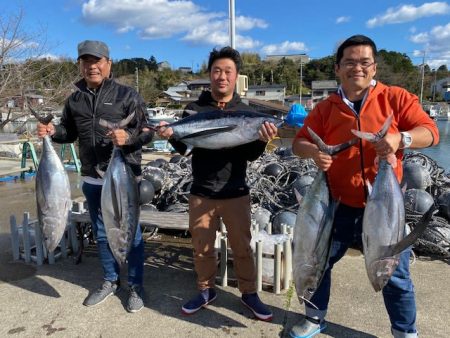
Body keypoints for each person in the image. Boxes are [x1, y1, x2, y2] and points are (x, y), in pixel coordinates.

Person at [290, 35, 439, 338]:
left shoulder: (396, 98)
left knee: (394, 274)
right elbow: (298, 143)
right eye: (349, 62)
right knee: (319, 261)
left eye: (364, 62)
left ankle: (405, 332)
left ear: (374, 68)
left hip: (384, 208)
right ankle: (315, 318)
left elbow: (431, 133)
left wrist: (401, 139)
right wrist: (315, 153)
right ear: (337, 69)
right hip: (339, 204)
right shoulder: (325, 108)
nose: (357, 67)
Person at [158, 46, 278, 321]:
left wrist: (262, 139)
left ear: (236, 76)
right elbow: (185, 149)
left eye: (228, 71)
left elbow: (250, 155)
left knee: (243, 248)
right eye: (217, 71)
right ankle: (205, 290)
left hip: (235, 191)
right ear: (210, 75)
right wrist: (169, 134)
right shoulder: (194, 110)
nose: (222, 76)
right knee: (202, 248)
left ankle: (249, 293)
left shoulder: (246, 112)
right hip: (201, 192)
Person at [36, 40, 153, 313]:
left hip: (123, 177)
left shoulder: (128, 95)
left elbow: (148, 131)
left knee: (131, 233)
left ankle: (135, 286)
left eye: (97, 61)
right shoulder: (74, 99)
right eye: (86, 62)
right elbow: (69, 133)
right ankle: (110, 280)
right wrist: (53, 132)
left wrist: (129, 137)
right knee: (102, 233)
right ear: (80, 65)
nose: (92, 67)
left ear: (108, 64)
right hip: (92, 178)